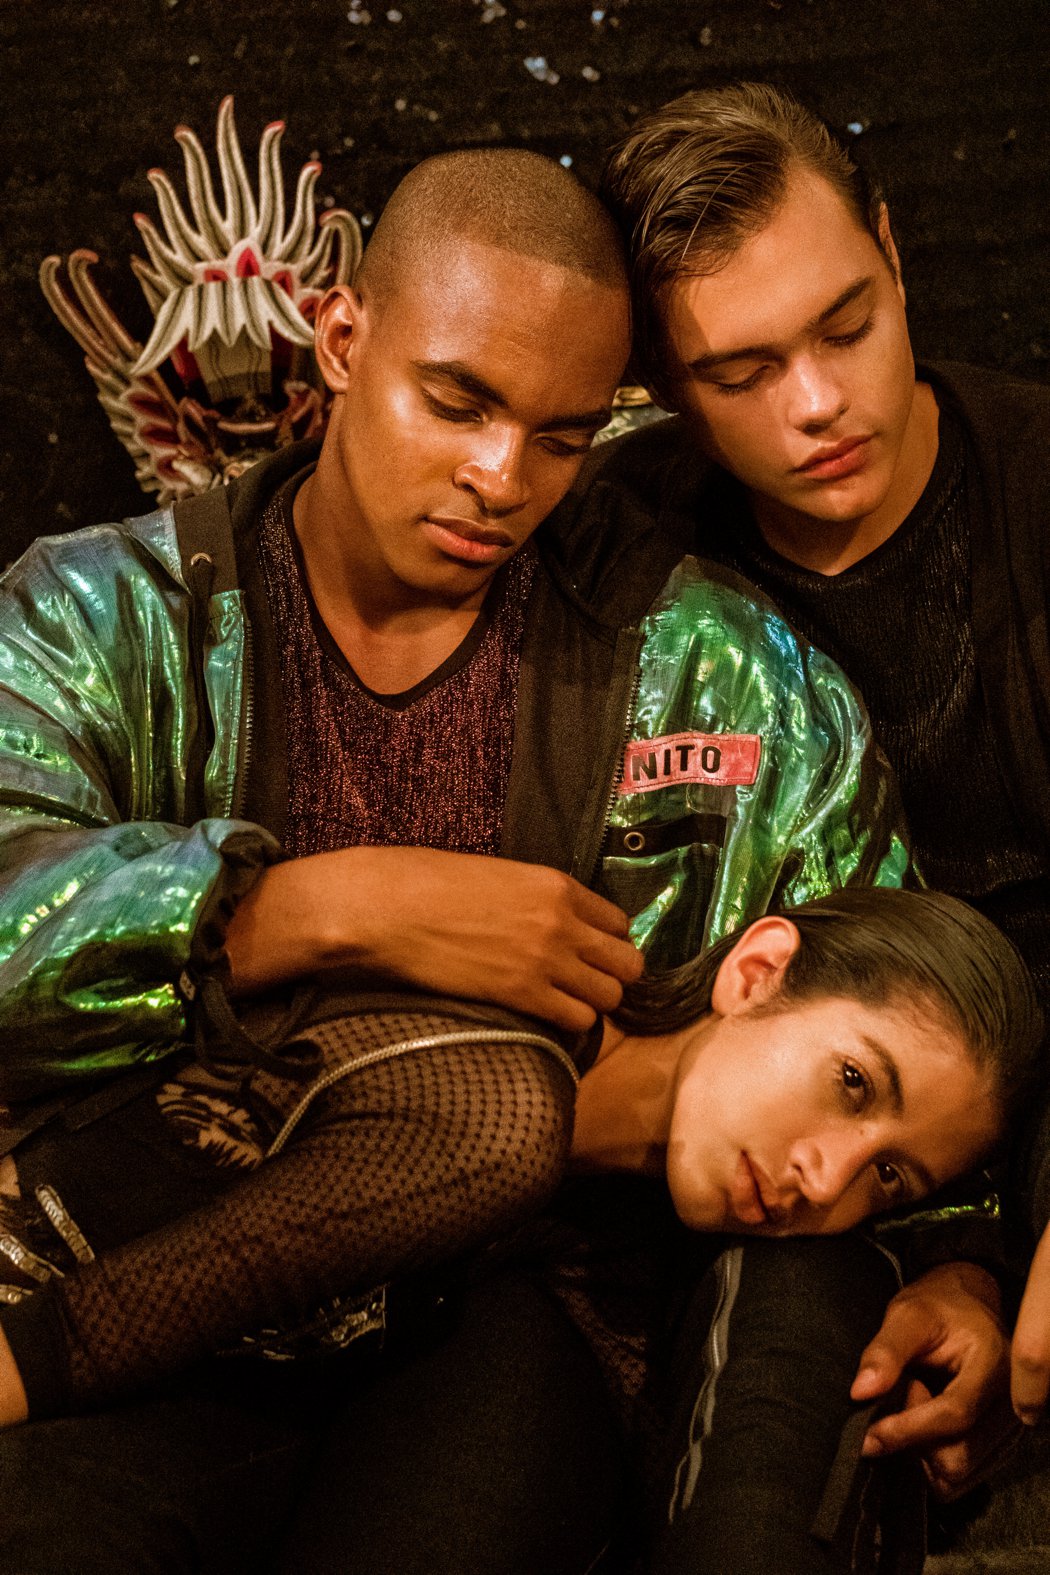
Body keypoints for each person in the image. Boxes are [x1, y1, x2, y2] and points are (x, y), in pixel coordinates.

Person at [0, 137, 915, 1575]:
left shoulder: (725, 680)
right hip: (155, 1273)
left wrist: (962, 1259)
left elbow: (895, 1004)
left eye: (562, 435)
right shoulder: (100, 612)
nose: (501, 477)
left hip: (509, 1315)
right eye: (457, 402)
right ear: (341, 337)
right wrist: (314, 907)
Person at [580, 76, 1050, 1525]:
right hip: (692, 1164)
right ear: (661, 383)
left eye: (846, 325)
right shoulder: (616, 549)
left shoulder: (1036, 493)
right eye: (741, 371)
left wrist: (984, 1251)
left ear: (894, 255)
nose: (818, 403)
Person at [0, 885, 1037, 1431]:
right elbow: (68, 1340)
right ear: (757, 972)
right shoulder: (504, 1108)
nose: (827, 1177)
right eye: (852, 1082)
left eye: (889, 1175)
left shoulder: (584, 1242)